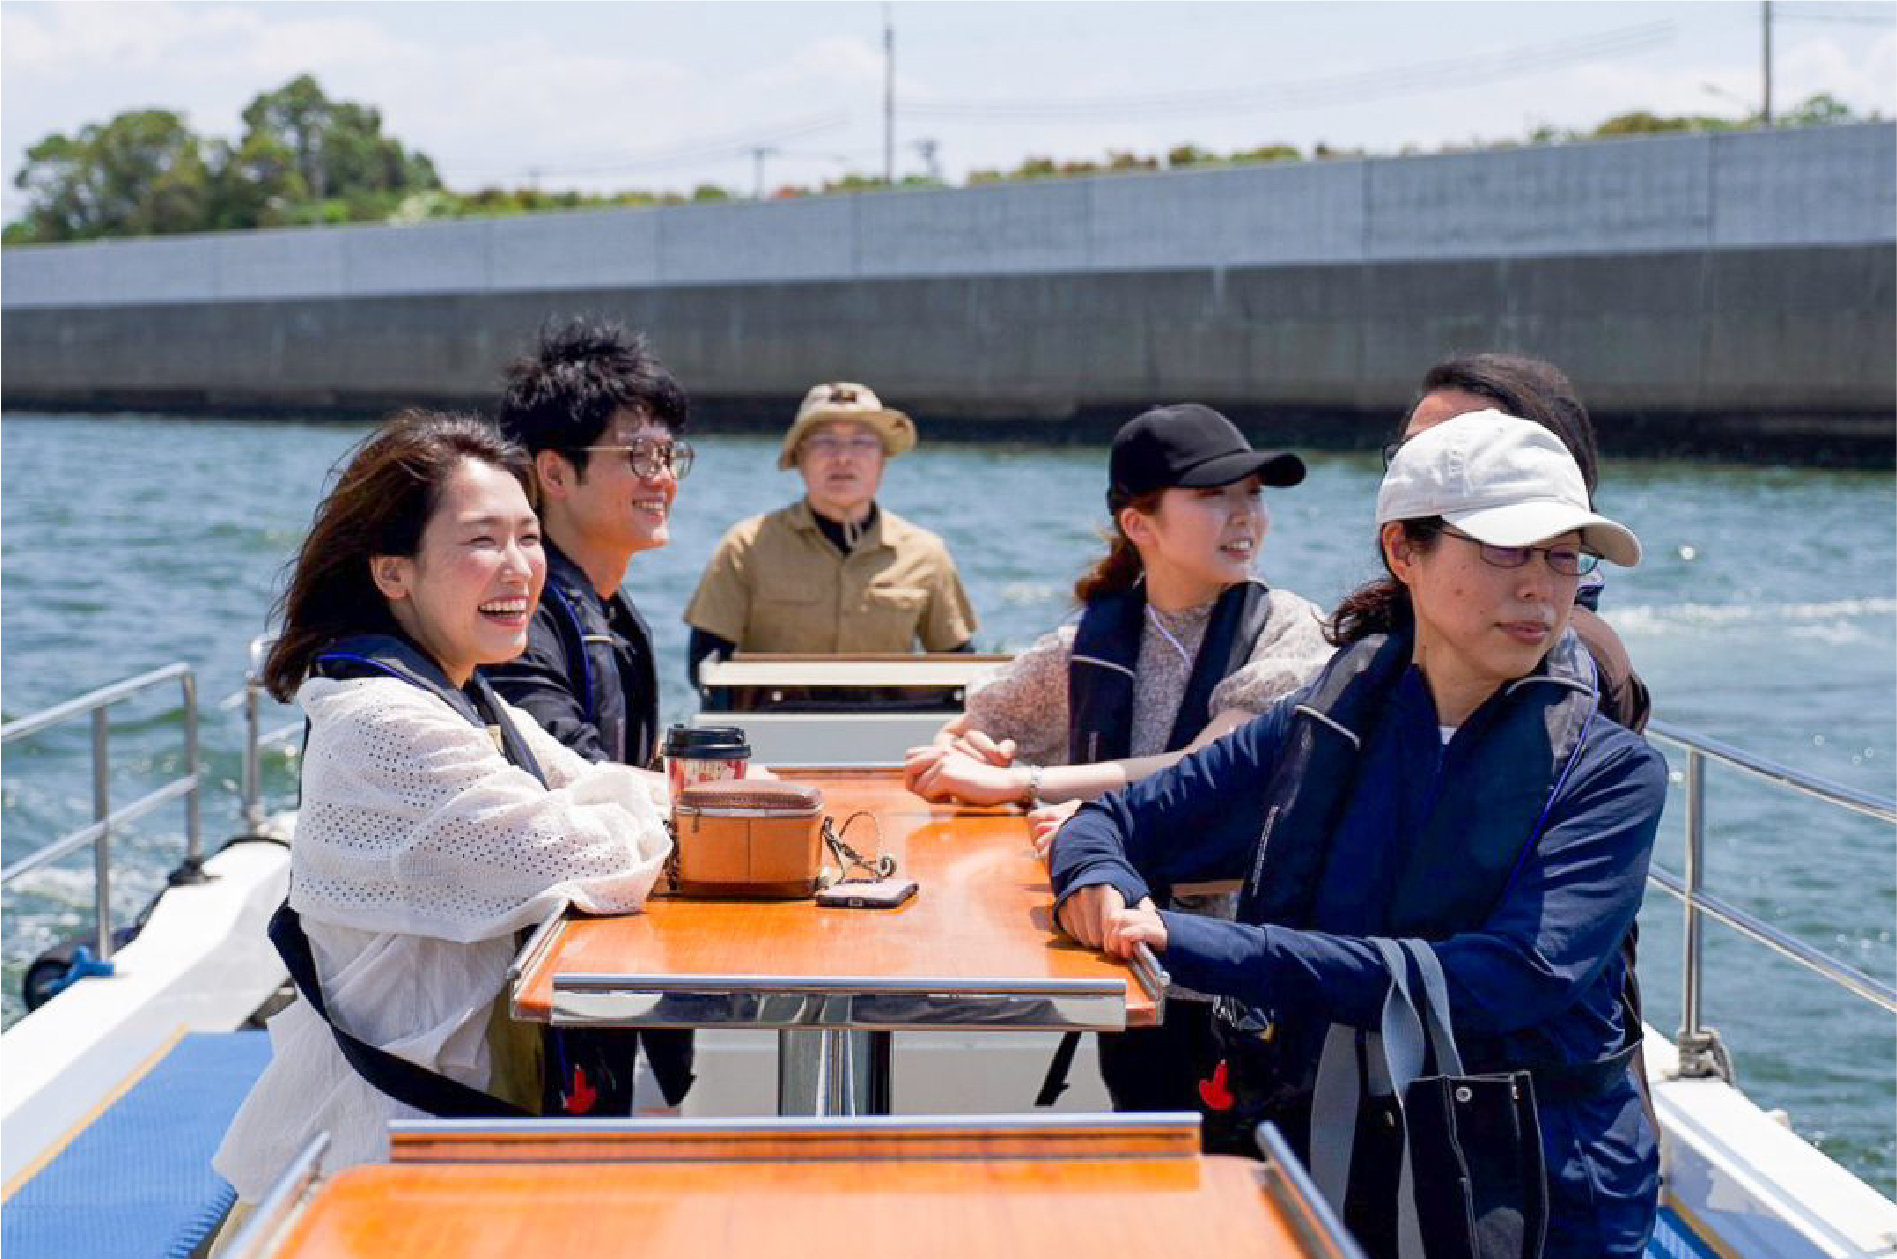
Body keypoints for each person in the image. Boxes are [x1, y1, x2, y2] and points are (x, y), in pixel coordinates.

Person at [1052, 410, 1665, 1258]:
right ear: (1402, 551)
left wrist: (1192, 943)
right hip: (1342, 1152)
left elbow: (1506, 978)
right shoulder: (1319, 726)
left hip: (1538, 1190)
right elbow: (1108, 819)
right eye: (1505, 549)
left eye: (1563, 554)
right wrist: (1098, 883)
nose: (1540, 586)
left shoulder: (1611, 772)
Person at [213, 411, 671, 1209]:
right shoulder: (384, 725)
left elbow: (614, 792)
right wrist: (653, 817)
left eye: (528, 537)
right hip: (375, 1163)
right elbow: (578, 856)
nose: (519, 567)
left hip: (454, 1137)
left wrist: (644, 809)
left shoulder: (465, 696)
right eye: (481, 541)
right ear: (393, 573)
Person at [904, 403, 1333, 1118]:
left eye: (1252, 495)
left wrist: (1020, 781)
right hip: (1119, 963)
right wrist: (965, 750)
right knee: (1154, 1166)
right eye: (1211, 496)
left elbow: (1205, 765)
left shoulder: (1291, 629)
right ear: (1139, 525)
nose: (1243, 517)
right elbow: (967, 732)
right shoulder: (1088, 641)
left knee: (1242, 1180)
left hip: (1244, 967)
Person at [482, 319, 697, 1114]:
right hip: (551, 993)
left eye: (669, 455)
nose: (662, 475)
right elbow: (571, 786)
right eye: (636, 454)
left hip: (606, 964)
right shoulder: (519, 620)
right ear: (553, 473)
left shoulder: (604, 605)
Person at [1395, 352, 1649, 732]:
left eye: (1462, 450)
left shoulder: (1582, 671)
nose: (1418, 474)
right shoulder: (1365, 646)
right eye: (1407, 456)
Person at [682, 382, 976, 685]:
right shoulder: (746, 546)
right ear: (799, 459)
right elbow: (705, 667)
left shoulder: (927, 553)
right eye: (825, 442)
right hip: (774, 726)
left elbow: (958, 668)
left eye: (862, 443)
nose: (843, 458)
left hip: (887, 728)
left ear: (882, 462)